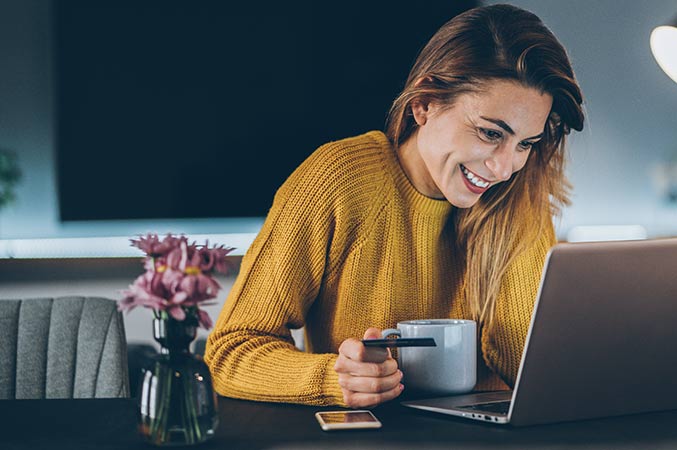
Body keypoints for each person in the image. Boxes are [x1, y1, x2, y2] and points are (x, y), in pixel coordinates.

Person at [204, 3, 584, 408]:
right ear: (424, 104)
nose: (505, 166)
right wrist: (334, 377)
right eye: (491, 132)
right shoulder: (339, 179)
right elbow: (231, 351)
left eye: (526, 143)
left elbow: (533, 371)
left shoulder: (517, 194)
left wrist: (512, 226)